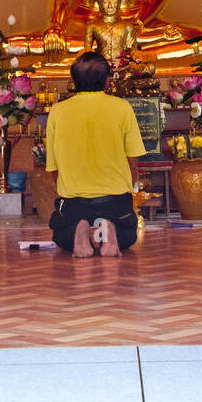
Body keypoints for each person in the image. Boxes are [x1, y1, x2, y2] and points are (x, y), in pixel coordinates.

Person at [45, 51, 147, 258]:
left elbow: (53, 168)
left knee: (61, 233)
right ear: (107, 80)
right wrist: (127, 188)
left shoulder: (58, 111)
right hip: (115, 201)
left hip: (74, 203)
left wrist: (68, 189)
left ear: (73, 80)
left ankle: (78, 231)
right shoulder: (122, 108)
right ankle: (111, 229)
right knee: (128, 233)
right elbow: (133, 160)